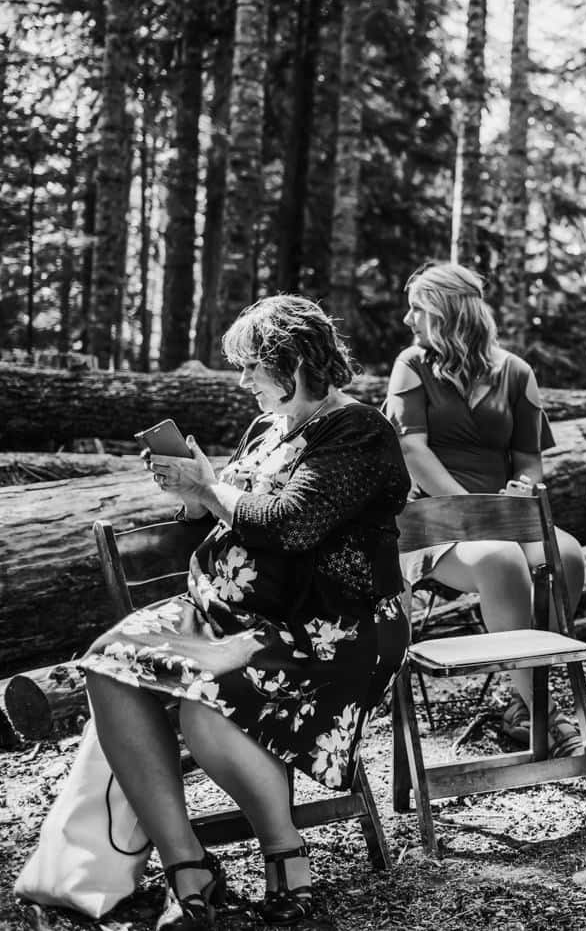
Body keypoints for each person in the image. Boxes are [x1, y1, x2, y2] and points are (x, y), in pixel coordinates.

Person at [77, 296, 410, 930]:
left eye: (250, 366)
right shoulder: (266, 429)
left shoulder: (359, 430)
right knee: (108, 662)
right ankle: (189, 867)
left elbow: (287, 524)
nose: (242, 381)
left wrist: (210, 489)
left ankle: (288, 855)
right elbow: (230, 506)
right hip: (223, 612)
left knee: (209, 703)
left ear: (291, 363)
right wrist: (192, 492)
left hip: (325, 627)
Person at [385, 263, 586, 755]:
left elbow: (530, 461)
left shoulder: (517, 372)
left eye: (418, 308)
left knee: (569, 556)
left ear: (448, 312)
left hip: (506, 517)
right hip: (431, 523)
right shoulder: (411, 366)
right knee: (499, 559)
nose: (408, 319)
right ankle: (543, 711)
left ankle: (521, 701)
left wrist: (523, 489)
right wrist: (468, 512)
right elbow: (413, 452)